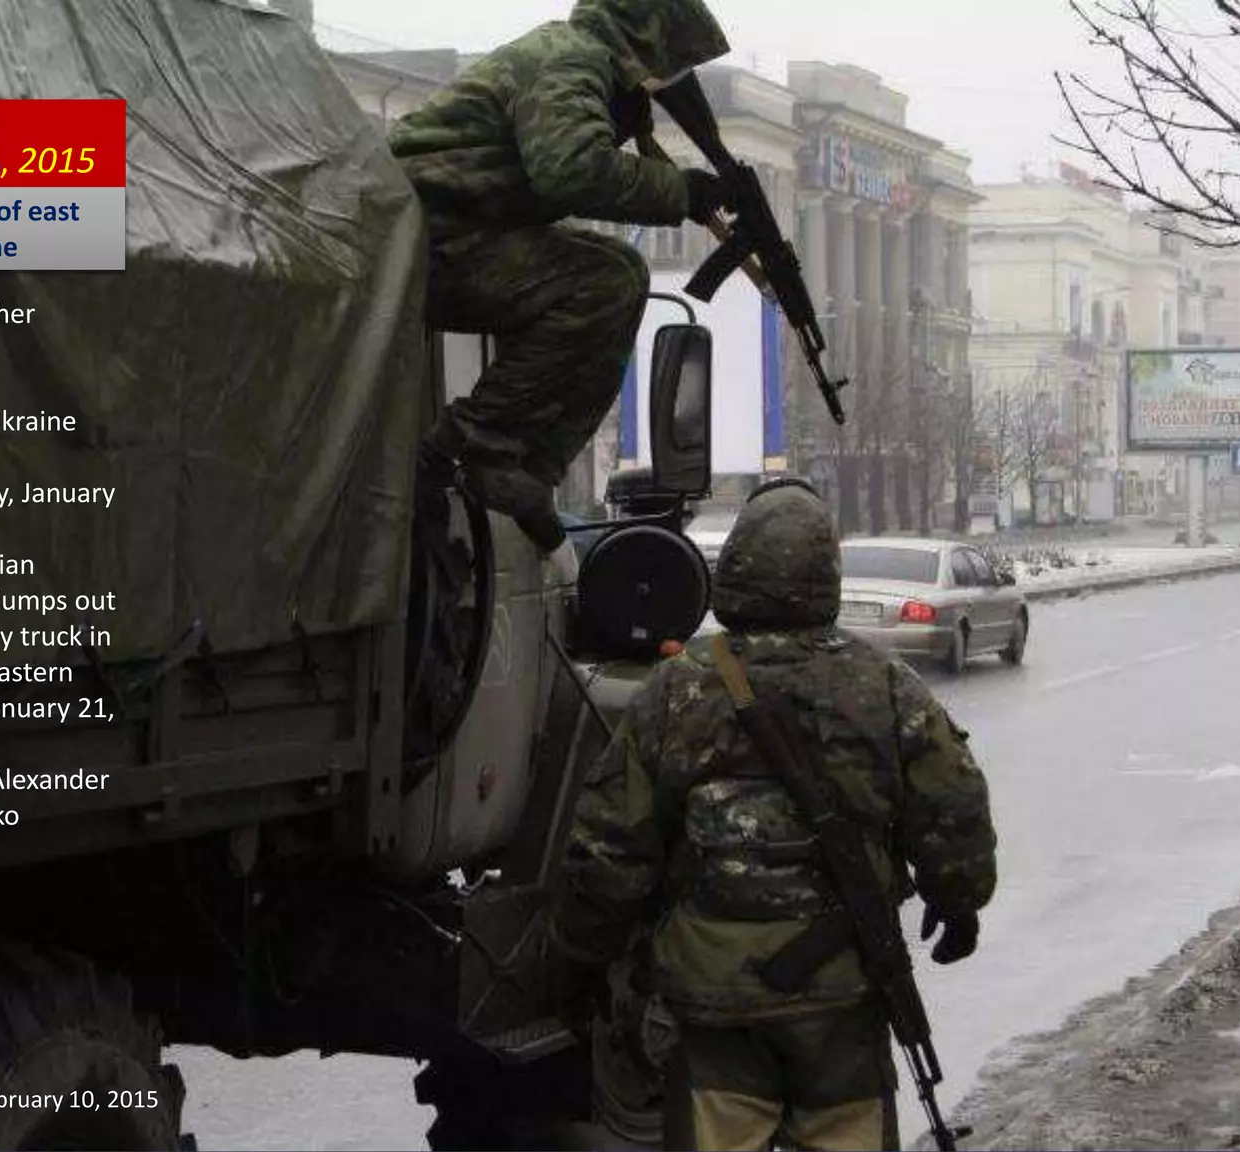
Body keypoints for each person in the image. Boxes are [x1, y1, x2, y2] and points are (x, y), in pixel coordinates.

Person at [548, 478, 998, 1151]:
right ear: (828, 576)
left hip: (715, 1006)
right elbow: (953, 814)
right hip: (842, 997)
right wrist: (958, 903)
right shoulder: (885, 686)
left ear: (733, 571)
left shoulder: (677, 691)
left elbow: (613, 844)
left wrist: (580, 952)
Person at [388, 0, 735, 554]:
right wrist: (684, 193)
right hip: (421, 243)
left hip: (441, 237)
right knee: (608, 278)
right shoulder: (570, 61)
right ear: (644, 36)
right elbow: (569, 169)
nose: (667, 77)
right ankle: (478, 444)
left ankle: (526, 469)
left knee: (612, 275)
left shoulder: (581, 63)